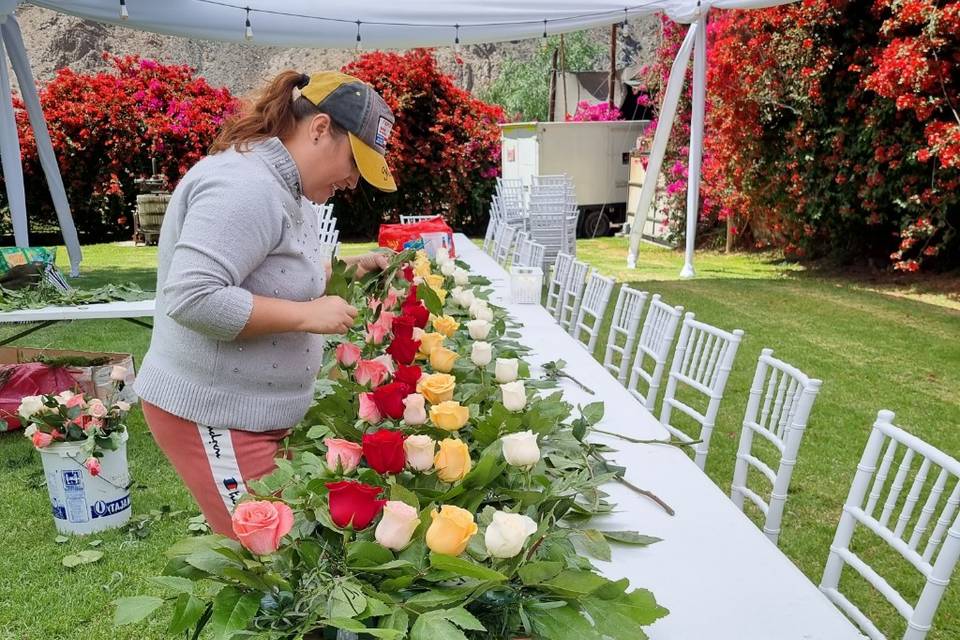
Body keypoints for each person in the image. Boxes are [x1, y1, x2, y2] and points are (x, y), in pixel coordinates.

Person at [134, 70, 397, 536]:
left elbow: (279, 273)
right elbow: (193, 297)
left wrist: (355, 265)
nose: (353, 182)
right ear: (319, 129)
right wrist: (306, 317)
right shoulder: (245, 186)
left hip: (250, 413)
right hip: (215, 413)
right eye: (354, 164)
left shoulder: (285, 187)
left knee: (281, 549)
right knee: (268, 555)